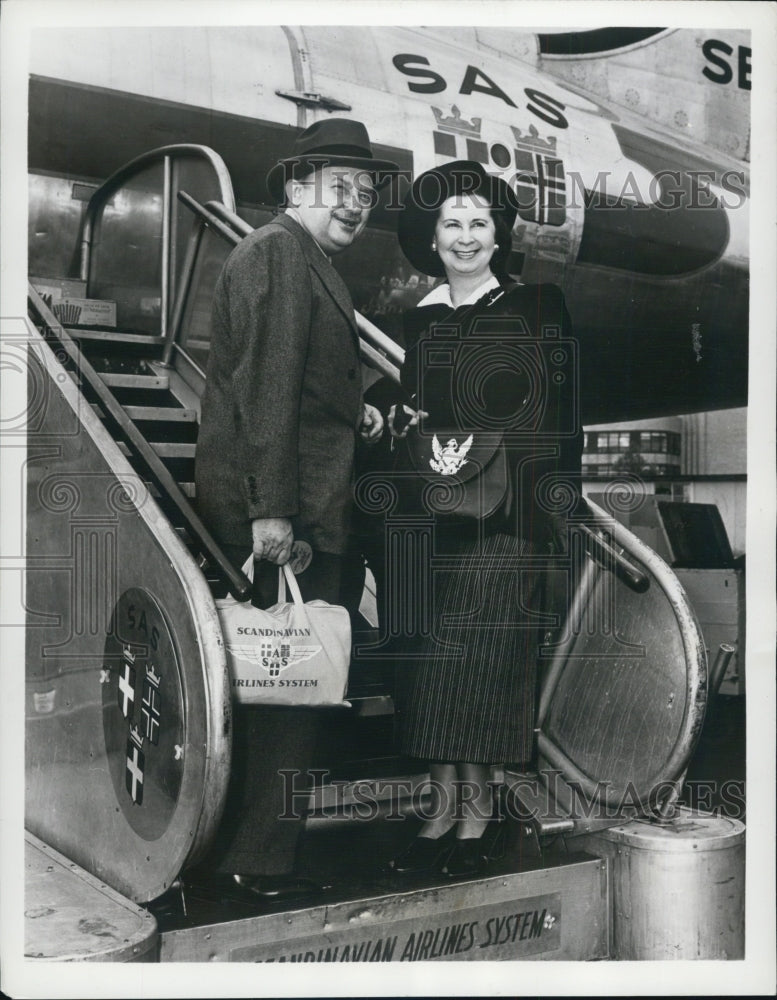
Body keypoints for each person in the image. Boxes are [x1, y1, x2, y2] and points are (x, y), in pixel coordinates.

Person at [192, 119, 397, 900]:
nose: (356, 204)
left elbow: (295, 387)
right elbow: (267, 393)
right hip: (293, 522)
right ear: (293, 187)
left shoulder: (293, 256)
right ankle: (258, 861)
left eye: (367, 193)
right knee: (288, 691)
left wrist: (356, 415)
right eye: (340, 187)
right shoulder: (281, 252)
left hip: (300, 506)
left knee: (286, 684)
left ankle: (247, 852)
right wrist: (271, 514)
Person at [383, 160, 582, 878]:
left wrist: (549, 517)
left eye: (478, 221)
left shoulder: (535, 308)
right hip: (429, 521)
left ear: (498, 234)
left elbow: (554, 419)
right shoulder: (417, 320)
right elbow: (415, 415)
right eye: (450, 224)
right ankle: (443, 812)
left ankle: (476, 819)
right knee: (430, 675)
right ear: (431, 240)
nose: (465, 236)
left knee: (475, 672)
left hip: (505, 520)